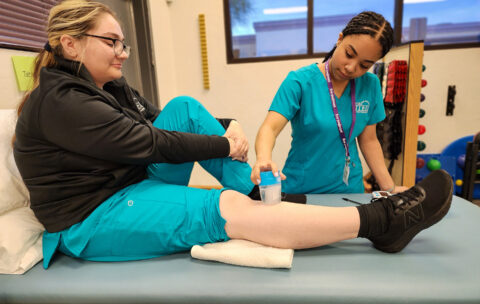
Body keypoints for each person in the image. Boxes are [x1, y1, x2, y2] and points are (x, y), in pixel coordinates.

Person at [13, 0, 452, 269]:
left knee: (183, 108)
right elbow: (149, 143)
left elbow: (162, 122)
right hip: (91, 218)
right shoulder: (61, 100)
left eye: (124, 43)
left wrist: (225, 125)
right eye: (112, 42)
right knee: (221, 207)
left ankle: (261, 199)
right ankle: (381, 223)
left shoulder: (106, 88)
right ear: (70, 44)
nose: (123, 53)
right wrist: (228, 144)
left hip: (129, 183)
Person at [252, 11, 408, 195]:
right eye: (349, 54)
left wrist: (389, 188)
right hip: (302, 189)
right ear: (340, 39)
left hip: (349, 191)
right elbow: (270, 128)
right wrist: (263, 159)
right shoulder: (300, 82)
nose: (351, 68)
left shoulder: (370, 85)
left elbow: (369, 140)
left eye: (364, 65)